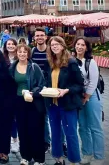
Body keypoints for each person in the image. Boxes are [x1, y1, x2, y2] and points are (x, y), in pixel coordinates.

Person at [45, 36, 84, 165]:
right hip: (53, 103)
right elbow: (48, 80)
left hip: (67, 104)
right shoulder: (50, 61)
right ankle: (58, 159)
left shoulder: (71, 62)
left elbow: (79, 84)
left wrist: (66, 90)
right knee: (55, 132)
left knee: (70, 133)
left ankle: (73, 161)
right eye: (52, 45)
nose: (54, 47)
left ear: (62, 46)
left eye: (57, 44)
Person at [9, 44, 46, 165]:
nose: (22, 54)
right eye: (20, 52)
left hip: (32, 101)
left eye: (25, 52)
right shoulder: (12, 67)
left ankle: (39, 159)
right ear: (16, 53)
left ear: (28, 54)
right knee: (22, 129)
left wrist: (32, 93)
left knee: (35, 129)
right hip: (19, 101)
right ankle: (26, 156)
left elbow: (41, 85)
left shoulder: (34, 67)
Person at [74, 37, 104, 164]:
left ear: (86, 48)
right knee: (82, 127)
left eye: (83, 45)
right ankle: (87, 153)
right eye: (78, 44)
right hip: (78, 97)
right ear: (74, 46)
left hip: (91, 97)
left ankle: (99, 156)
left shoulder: (90, 62)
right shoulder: (72, 61)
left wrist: (86, 97)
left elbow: (93, 82)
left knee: (95, 127)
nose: (80, 47)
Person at [2, 38, 19, 153]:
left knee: (17, 117)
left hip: (18, 91)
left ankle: (18, 140)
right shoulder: (3, 59)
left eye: (13, 44)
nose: (11, 46)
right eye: (9, 44)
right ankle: (12, 140)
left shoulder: (20, 58)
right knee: (9, 117)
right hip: (6, 92)